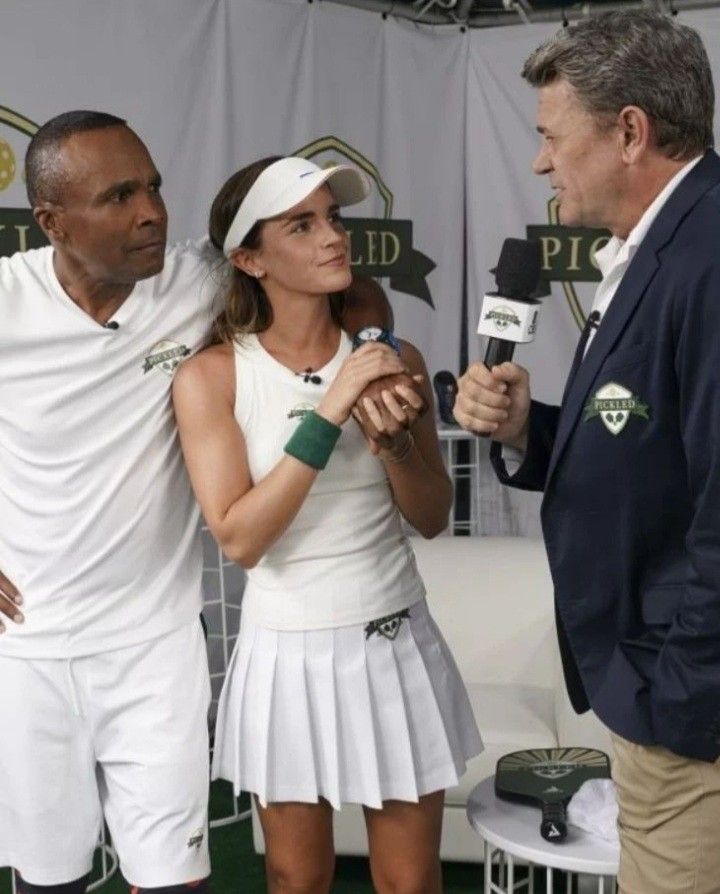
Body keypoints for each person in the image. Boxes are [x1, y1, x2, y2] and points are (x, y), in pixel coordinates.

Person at [0, 112, 409, 893]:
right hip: (29, 652)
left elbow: (346, 286)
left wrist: (374, 353)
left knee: (177, 881)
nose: (150, 211)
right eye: (119, 196)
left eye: (152, 186)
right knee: (46, 881)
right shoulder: (6, 301)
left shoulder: (195, 276)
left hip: (157, 648)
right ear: (50, 222)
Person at [454, 11, 720, 893]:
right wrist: (531, 428)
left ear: (631, 133)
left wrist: (678, 705)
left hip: (690, 714)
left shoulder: (706, 256)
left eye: (551, 137)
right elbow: (653, 440)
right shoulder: (668, 244)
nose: (540, 163)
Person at [172, 155, 482, 894]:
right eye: (302, 224)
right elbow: (240, 537)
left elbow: (434, 517)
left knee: (410, 882)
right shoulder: (211, 375)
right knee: (293, 878)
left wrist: (396, 444)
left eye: (334, 219)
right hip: (285, 650)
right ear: (250, 258)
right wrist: (331, 408)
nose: (333, 237)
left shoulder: (393, 357)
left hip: (394, 638)